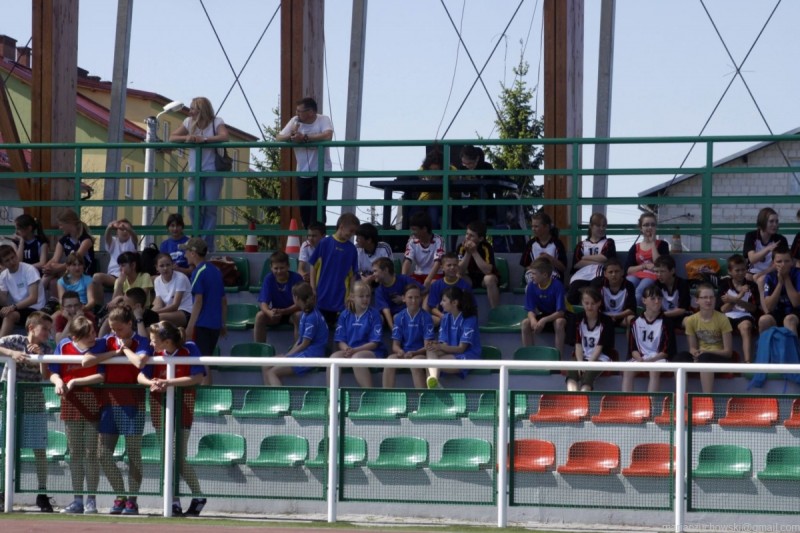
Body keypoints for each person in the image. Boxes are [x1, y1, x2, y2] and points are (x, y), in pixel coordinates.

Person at [83, 305, 151, 515]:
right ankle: (120, 495)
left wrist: (126, 349)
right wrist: (114, 352)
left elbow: (140, 362)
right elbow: (86, 360)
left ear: (130, 324)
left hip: (133, 405)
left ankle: (132, 501)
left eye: (119, 329)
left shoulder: (142, 342)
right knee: (103, 454)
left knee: (133, 454)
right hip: (108, 405)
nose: (115, 333)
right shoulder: (107, 341)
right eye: (113, 329)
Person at [137, 321, 206, 517]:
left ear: (166, 341)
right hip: (159, 409)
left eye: (154, 340)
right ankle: (173, 501)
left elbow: (197, 377)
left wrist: (168, 382)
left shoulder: (189, 348)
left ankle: (198, 495)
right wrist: (152, 383)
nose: (151, 344)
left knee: (178, 457)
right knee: (167, 456)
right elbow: (140, 376)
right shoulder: (153, 354)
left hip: (183, 408)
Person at [49, 316, 106, 514]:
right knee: (75, 452)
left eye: (94, 332)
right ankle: (77, 499)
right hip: (70, 403)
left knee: (91, 453)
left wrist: (75, 382)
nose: (93, 337)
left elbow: (102, 375)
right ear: (75, 336)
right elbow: (53, 371)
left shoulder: (100, 346)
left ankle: (91, 499)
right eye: (88, 334)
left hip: (93, 402)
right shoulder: (64, 346)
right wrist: (58, 382)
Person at [0, 311, 55, 512]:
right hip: (9, 401)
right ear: (31, 328)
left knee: (39, 450)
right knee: (4, 448)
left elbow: (46, 375)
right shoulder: (14, 340)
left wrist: (40, 358)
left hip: (34, 402)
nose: (48, 333)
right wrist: (12, 354)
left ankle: (42, 493)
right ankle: (2, 491)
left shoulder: (47, 348)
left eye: (49, 329)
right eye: (44, 329)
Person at [169, 96, 230, 253]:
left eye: (193, 108)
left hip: (213, 170)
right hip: (195, 171)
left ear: (201, 110)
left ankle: (205, 245)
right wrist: (187, 137)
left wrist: (204, 139)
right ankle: (198, 240)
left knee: (210, 208)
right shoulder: (188, 122)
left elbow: (224, 136)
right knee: (192, 206)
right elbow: (172, 137)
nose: (190, 111)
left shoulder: (216, 122)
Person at [276, 97, 334, 228]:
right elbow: (278, 137)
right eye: (296, 111)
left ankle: (318, 234)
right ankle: (309, 235)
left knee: (318, 207)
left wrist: (305, 138)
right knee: (305, 208)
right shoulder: (295, 121)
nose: (297, 114)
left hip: (321, 170)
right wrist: (291, 135)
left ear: (311, 112)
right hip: (302, 172)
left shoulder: (323, 119)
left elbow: (328, 136)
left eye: (300, 111)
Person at [262, 282, 329, 386]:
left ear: (296, 298)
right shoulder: (304, 313)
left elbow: (304, 344)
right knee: (265, 365)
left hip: (312, 355)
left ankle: (280, 397)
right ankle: (269, 394)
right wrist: (288, 355)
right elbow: (300, 341)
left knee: (272, 372)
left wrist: (288, 356)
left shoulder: (312, 317)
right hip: (304, 353)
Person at [674, 283, 734, 393]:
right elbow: (692, 348)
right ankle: (681, 397)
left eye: (711, 297)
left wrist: (705, 352)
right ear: (697, 300)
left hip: (719, 357)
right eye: (704, 297)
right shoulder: (691, 320)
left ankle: (706, 398)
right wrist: (696, 353)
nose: (708, 300)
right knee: (680, 357)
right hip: (701, 356)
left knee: (705, 358)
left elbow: (728, 352)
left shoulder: (723, 319)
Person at [180, 238, 227, 373]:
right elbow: (224, 300)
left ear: (193, 253)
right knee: (206, 362)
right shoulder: (216, 270)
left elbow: (198, 301)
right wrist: (222, 323)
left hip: (202, 324)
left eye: (187, 251)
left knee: (202, 363)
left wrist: (190, 327)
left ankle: (204, 387)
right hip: (215, 325)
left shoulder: (198, 272)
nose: (185, 255)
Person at [330, 280, 385, 388]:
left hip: (373, 352)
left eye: (368, 296)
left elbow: (374, 343)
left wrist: (354, 350)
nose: (365, 299)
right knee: (333, 358)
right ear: (352, 297)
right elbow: (340, 340)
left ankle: (369, 394)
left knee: (357, 358)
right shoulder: (344, 314)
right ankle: (331, 394)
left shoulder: (374, 314)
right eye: (361, 296)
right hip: (351, 350)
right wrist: (347, 349)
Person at [424, 286, 481, 389]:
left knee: (433, 364)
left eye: (444, 300)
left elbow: (461, 349)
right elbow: (444, 344)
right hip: (450, 352)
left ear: (454, 302)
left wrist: (440, 347)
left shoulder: (470, 319)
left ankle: (433, 387)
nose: (441, 303)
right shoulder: (446, 318)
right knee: (430, 350)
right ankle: (434, 383)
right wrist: (436, 345)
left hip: (467, 355)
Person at [309, 212, 360, 326]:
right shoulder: (324, 243)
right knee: (320, 328)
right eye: (351, 231)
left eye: (354, 232)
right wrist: (312, 288)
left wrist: (352, 294)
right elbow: (313, 266)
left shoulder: (352, 249)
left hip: (341, 299)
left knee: (340, 330)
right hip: (322, 295)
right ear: (342, 226)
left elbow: (353, 275)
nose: (352, 234)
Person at [621, 285, 675, 392]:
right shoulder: (635, 322)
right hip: (640, 358)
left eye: (659, 298)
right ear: (644, 300)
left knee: (654, 370)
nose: (657, 301)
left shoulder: (666, 322)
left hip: (659, 358)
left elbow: (666, 351)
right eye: (653, 298)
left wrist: (650, 360)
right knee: (627, 370)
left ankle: (651, 401)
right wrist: (640, 359)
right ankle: (626, 400)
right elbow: (633, 348)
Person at [383, 284, 435, 389]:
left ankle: (423, 396)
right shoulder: (399, 317)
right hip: (405, 353)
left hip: (420, 354)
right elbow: (395, 345)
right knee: (389, 361)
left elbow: (427, 346)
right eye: (410, 297)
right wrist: (400, 351)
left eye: (416, 297)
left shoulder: (426, 317)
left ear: (420, 299)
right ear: (403, 298)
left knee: (414, 363)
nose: (413, 301)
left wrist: (414, 353)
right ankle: (387, 394)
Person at [565, 287, 616, 392]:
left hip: (599, 358)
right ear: (582, 303)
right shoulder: (576, 319)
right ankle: (572, 398)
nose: (589, 306)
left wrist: (588, 365)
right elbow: (577, 344)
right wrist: (580, 364)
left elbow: (599, 347)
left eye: (593, 303)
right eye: (586, 303)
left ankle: (583, 397)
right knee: (571, 376)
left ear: (599, 303)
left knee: (587, 378)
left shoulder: (606, 321)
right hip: (580, 356)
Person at [41, 209, 96, 301]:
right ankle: (39, 299)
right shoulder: (64, 240)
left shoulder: (86, 240)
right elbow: (54, 259)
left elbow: (75, 260)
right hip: (69, 270)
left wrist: (56, 269)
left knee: (54, 276)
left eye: (61, 224)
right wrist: (47, 267)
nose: (60, 228)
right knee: (49, 272)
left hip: (82, 271)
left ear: (70, 223)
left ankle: (46, 299)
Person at [254, 251, 303, 343]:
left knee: (299, 315)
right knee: (259, 316)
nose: (279, 271)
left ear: (288, 266)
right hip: (276, 314)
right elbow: (263, 303)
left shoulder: (297, 278)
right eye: (276, 268)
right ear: (271, 268)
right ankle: (259, 349)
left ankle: (299, 348)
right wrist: (269, 312)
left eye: (282, 268)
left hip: (292, 313)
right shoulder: (269, 279)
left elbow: (301, 304)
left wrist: (284, 311)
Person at [718, 254, 759, 364]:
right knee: (721, 325)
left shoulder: (752, 286)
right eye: (737, 270)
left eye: (743, 269)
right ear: (730, 271)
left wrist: (734, 299)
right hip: (727, 316)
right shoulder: (724, 285)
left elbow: (753, 308)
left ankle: (747, 362)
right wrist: (739, 296)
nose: (741, 273)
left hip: (745, 315)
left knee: (746, 327)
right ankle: (724, 361)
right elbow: (723, 309)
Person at [567, 212, 616, 304]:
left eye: (604, 226)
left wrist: (585, 257)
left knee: (594, 292)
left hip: (599, 274)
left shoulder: (609, 242)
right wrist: (599, 261)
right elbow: (577, 264)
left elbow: (605, 258)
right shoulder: (581, 245)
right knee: (572, 294)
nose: (602, 228)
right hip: (581, 274)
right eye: (598, 225)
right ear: (591, 226)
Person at [521, 258, 567, 355]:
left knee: (559, 322)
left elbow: (561, 312)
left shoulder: (557, 285)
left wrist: (543, 320)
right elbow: (530, 309)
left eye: (534, 273)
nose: (531, 276)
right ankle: (529, 356)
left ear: (545, 275)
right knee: (525, 323)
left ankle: (559, 358)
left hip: (560, 315)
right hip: (545, 315)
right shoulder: (531, 286)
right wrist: (533, 320)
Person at [90, 219, 138, 311]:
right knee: (96, 277)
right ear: (116, 232)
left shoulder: (131, 242)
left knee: (119, 282)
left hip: (127, 276)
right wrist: (109, 228)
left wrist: (129, 230)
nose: (124, 231)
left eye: (126, 229)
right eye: (121, 229)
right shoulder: (114, 242)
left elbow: (135, 239)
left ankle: (113, 308)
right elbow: (107, 238)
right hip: (112, 276)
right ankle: (99, 308)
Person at [0, 243, 46, 336]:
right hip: (18, 308)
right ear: (2, 264)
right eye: (7, 260)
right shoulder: (3, 275)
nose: (12, 262)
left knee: (10, 315)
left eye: (13, 257)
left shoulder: (29, 269)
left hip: (35, 309)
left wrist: (13, 307)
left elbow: (33, 298)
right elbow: (3, 302)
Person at [625, 212, 669, 305]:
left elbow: (660, 265)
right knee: (628, 287)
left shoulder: (662, 245)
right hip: (636, 275)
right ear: (641, 228)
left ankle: (634, 312)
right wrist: (644, 266)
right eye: (646, 225)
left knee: (639, 291)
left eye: (653, 225)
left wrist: (652, 243)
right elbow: (628, 269)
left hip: (653, 275)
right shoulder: (635, 247)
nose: (650, 227)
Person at [457, 220, 500, 309]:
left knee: (489, 279)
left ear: (480, 239)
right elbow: (460, 271)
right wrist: (468, 253)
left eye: (471, 235)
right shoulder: (461, 247)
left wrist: (474, 252)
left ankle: (495, 311)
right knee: (457, 277)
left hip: (484, 278)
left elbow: (487, 271)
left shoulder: (486, 247)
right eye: (467, 234)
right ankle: (462, 311)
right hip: (469, 277)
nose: (467, 237)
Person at [758, 245, 800, 335]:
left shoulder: (797, 274)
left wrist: (786, 277)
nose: (783, 264)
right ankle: (765, 345)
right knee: (764, 320)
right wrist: (780, 283)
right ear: (774, 263)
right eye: (779, 261)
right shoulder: (770, 277)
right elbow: (769, 307)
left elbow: (796, 303)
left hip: (796, 313)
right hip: (777, 312)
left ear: (792, 262)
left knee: (789, 320)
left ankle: (792, 345)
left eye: (787, 261)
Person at [371, 256, 422, 328]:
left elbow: (422, 291)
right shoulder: (379, 290)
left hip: (407, 313)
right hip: (391, 317)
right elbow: (386, 310)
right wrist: (392, 328)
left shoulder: (404, 279)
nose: (373, 274)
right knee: (379, 318)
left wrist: (404, 299)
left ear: (385, 270)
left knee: (398, 317)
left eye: (375, 271)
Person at [424, 252, 472, 327]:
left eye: (455, 265)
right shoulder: (436, 285)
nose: (452, 267)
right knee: (428, 319)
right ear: (442, 267)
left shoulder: (465, 285)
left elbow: (470, 307)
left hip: (460, 318)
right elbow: (432, 308)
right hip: (442, 317)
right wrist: (443, 316)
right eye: (449, 265)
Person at [402, 211, 445, 289]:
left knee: (433, 285)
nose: (412, 232)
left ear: (424, 229)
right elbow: (407, 260)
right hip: (418, 275)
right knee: (409, 286)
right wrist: (403, 278)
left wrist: (428, 280)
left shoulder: (438, 240)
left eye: (414, 229)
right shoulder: (412, 241)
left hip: (435, 275)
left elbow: (438, 262)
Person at [521, 211, 568, 282]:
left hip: (552, 274)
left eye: (536, 226)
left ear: (546, 227)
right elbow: (525, 265)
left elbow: (563, 268)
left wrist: (549, 258)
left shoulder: (557, 243)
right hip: (535, 273)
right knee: (531, 275)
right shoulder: (531, 244)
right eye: (532, 226)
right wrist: (537, 265)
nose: (533, 229)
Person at [590, 258, 636, 329]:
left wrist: (616, 316)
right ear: (605, 274)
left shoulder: (629, 285)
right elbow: (593, 305)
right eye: (610, 272)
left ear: (622, 272)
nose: (614, 274)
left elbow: (631, 309)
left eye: (616, 271)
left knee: (631, 319)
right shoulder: (597, 284)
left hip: (621, 317)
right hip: (603, 316)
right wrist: (606, 317)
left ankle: (630, 337)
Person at [743, 207, 788, 279]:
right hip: (752, 271)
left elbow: (776, 265)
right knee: (747, 277)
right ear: (763, 222)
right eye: (771, 221)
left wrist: (760, 275)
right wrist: (768, 249)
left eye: (776, 221)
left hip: (771, 272)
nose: (775, 224)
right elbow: (752, 259)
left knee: (762, 279)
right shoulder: (751, 236)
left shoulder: (780, 239)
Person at [152, 253, 193, 328]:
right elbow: (158, 303)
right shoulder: (157, 281)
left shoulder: (180, 278)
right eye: (161, 266)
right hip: (170, 312)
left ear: (172, 265)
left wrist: (154, 313)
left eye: (168, 265)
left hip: (186, 311)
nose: (165, 268)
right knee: (148, 319)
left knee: (159, 318)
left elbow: (175, 305)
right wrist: (149, 313)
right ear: (156, 268)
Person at [653, 255, 691, 325]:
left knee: (689, 322)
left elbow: (682, 309)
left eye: (662, 271)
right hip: (664, 317)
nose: (659, 274)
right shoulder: (656, 284)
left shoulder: (682, 284)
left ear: (672, 271)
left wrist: (662, 315)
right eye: (656, 271)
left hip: (680, 316)